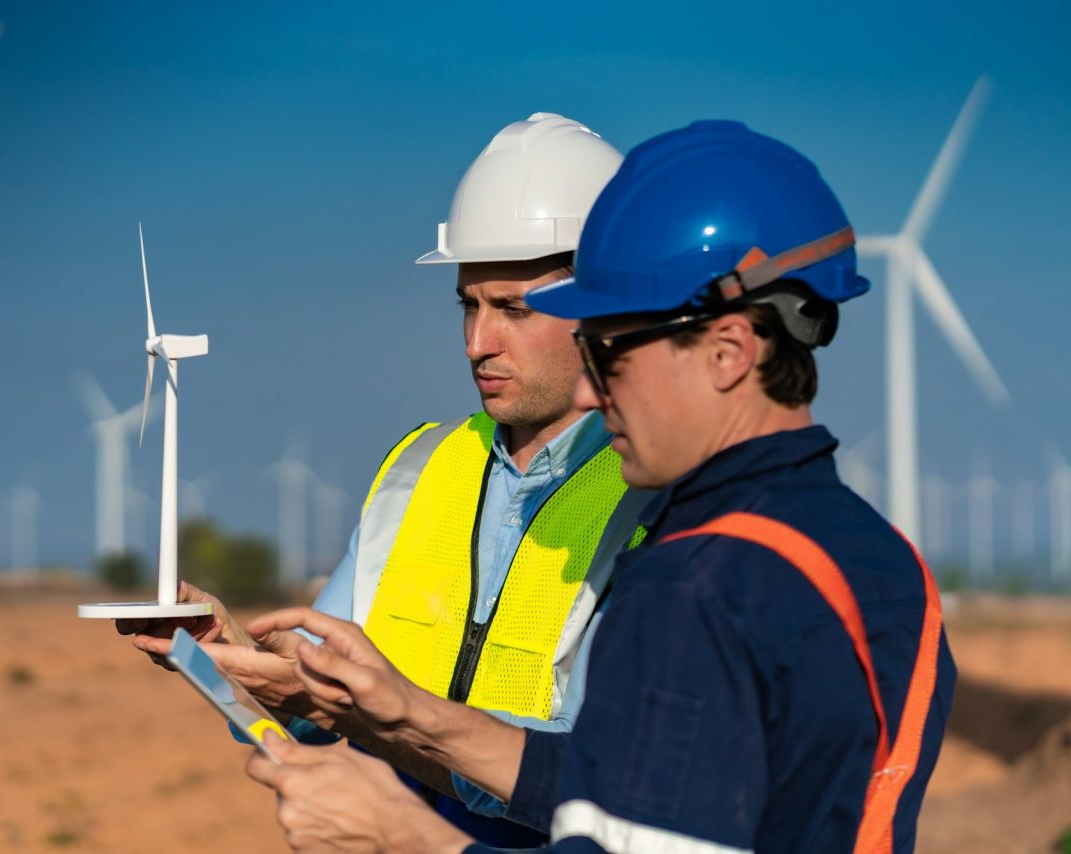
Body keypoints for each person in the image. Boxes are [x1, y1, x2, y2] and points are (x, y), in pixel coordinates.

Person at [238, 120, 957, 853]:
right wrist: (410, 716)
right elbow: (639, 795)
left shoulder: (693, 585)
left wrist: (406, 838)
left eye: (608, 350)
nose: (589, 393)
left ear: (728, 352)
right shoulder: (886, 563)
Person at [120, 112, 650, 847]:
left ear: (600, 308)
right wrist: (228, 654)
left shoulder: (651, 494)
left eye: (512, 310)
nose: (477, 343)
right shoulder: (417, 469)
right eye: (467, 305)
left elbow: (598, 781)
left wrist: (372, 721)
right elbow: (312, 704)